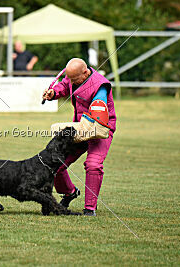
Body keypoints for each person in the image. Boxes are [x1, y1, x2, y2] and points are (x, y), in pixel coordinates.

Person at [42, 58, 116, 216]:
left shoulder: (100, 86)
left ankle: (90, 208)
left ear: (85, 72)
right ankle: (69, 192)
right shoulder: (73, 76)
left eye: (75, 79)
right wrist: (53, 93)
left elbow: (99, 107)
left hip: (100, 128)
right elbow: (64, 85)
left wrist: (93, 116)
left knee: (93, 164)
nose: (72, 82)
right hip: (79, 127)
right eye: (70, 78)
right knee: (56, 163)